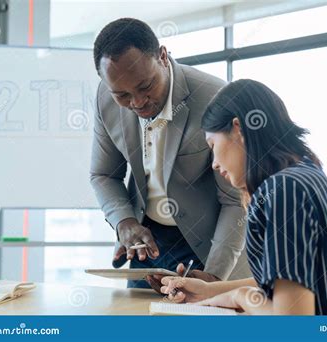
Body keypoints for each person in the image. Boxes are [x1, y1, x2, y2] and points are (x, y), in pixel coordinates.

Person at [160, 79, 327, 315]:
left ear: (238, 128)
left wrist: (238, 296)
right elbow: (283, 285)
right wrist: (209, 290)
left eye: (213, 145)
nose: (215, 164)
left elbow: (291, 324)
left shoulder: (283, 191)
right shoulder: (305, 173)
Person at [90, 18, 250, 289]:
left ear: (162, 57)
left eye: (145, 86)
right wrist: (125, 222)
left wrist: (213, 279)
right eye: (123, 95)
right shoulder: (106, 98)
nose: (137, 102)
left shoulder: (216, 97)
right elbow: (104, 174)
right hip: (147, 242)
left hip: (210, 247)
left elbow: (235, 201)